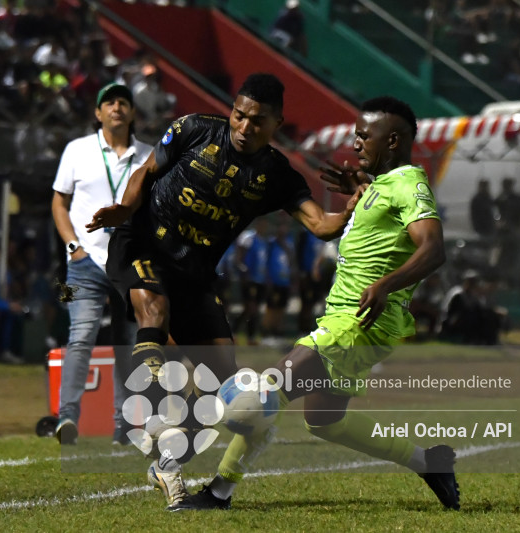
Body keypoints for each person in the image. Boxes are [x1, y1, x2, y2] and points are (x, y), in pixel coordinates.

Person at [87, 73, 364, 507]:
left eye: (257, 120)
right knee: (153, 310)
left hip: (194, 271)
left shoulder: (276, 173)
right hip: (142, 242)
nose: (244, 126)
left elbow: (320, 225)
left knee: (221, 386)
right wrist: (124, 207)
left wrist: (353, 206)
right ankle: (152, 414)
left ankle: (165, 458)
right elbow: (146, 170)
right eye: (239, 114)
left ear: (277, 123)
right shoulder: (194, 128)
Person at [172, 96, 459, 512]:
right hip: (349, 319)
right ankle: (428, 462)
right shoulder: (381, 185)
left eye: (365, 135)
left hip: (360, 322)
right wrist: (357, 191)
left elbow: (433, 249)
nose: (356, 143)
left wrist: (385, 285)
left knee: (265, 393)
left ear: (393, 139)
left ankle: (218, 492)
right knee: (325, 421)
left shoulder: (409, 185)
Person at [52, 82, 154, 445]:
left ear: (132, 113)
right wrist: (73, 246)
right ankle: (67, 417)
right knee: (80, 337)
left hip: (129, 263)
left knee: (127, 343)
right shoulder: (77, 150)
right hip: (84, 263)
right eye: (109, 101)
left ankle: (123, 423)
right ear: (97, 113)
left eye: (124, 102)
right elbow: (58, 203)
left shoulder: (148, 155)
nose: (117, 107)